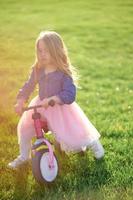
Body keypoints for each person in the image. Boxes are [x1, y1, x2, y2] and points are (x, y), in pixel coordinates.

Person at [8, 31, 104, 169]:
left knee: (74, 132)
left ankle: (94, 145)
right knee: (25, 129)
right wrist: (21, 100)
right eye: (40, 50)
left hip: (60, 107)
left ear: (56, 50)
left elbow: (70, 94)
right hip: (41, 106)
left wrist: (54, 98)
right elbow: (28, 86)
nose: (42, 54)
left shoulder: (63, 72)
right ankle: (24, 156)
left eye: (46, 50)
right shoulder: (38, 69)